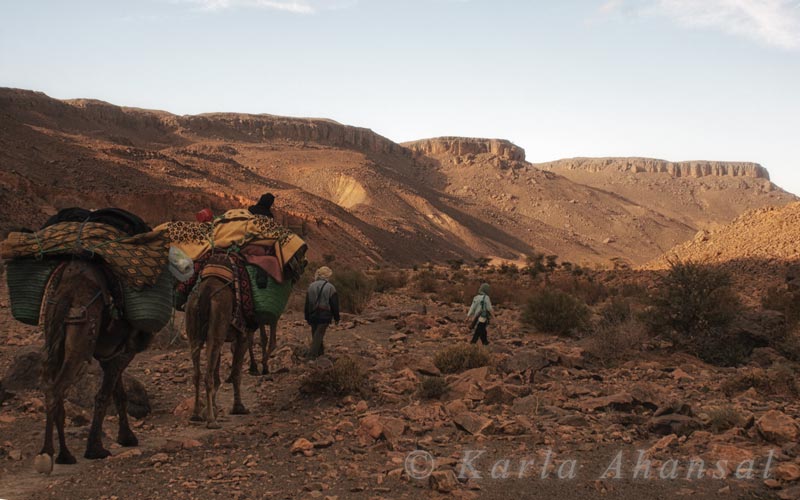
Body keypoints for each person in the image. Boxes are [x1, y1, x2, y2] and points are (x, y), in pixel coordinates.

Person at [304, 266, 340, 358]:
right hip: (324, 315)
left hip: (312, 314)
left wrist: (307, 317)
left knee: (315, 334)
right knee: (318, 335)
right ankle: (311, 357)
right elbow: (334, 304)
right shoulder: (331, 287)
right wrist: (336, 318)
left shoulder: (311, 286)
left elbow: (307, 303)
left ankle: (320, 355)